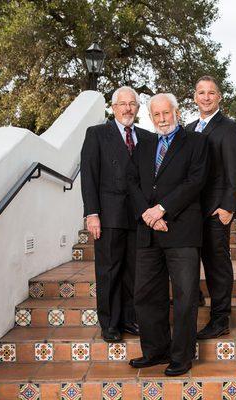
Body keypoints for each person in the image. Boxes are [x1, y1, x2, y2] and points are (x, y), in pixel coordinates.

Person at [127, 93, 208, 376]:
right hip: (149, 233)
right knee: (146, 295)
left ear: (177, 112)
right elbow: (132, 182)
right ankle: (155, 351)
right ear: (150, 117)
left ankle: (182, 357)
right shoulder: (144, 145)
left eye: (166, 113)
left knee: (185, 296)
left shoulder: (196, 142)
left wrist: (162, 209)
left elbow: (195, 181)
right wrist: (149, 217)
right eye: (156, 115)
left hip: (182, 231)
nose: (162, 119)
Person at [80, 86, 152, 343]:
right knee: (109, 270)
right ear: (113, 107)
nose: (127, 109)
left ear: (138, 108)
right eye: (122, 104)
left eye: (132, 104)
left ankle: (130, 319)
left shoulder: (147, 137)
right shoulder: (97, 134)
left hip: (138, 216)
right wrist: (92, 214)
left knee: (134, 271)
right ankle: (109, 323)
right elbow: (89, 176)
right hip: (108, 216)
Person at [185, 76, 236, 339]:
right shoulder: (188, 129)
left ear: (219, 97)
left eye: (211, 93)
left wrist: (228, 208)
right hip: (190, 210)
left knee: (216, 264)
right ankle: (195, 298)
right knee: (189, 259)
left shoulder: (229, 129)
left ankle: (220, 319)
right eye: (201, 92)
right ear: (195, 97)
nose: (206, 97)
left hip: (215, 211)